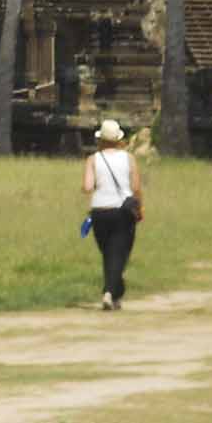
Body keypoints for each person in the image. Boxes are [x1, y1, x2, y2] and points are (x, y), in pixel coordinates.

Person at [82, 118, 142, 311]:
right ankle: (109, 292)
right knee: (120, 253)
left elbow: (88, 186)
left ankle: (115, 293)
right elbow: (135, 187)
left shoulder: (93, 159)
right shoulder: (128, 158)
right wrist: (139, 209)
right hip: (122, 211)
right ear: (118, 140)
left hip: (99, 211)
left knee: (108, 253)